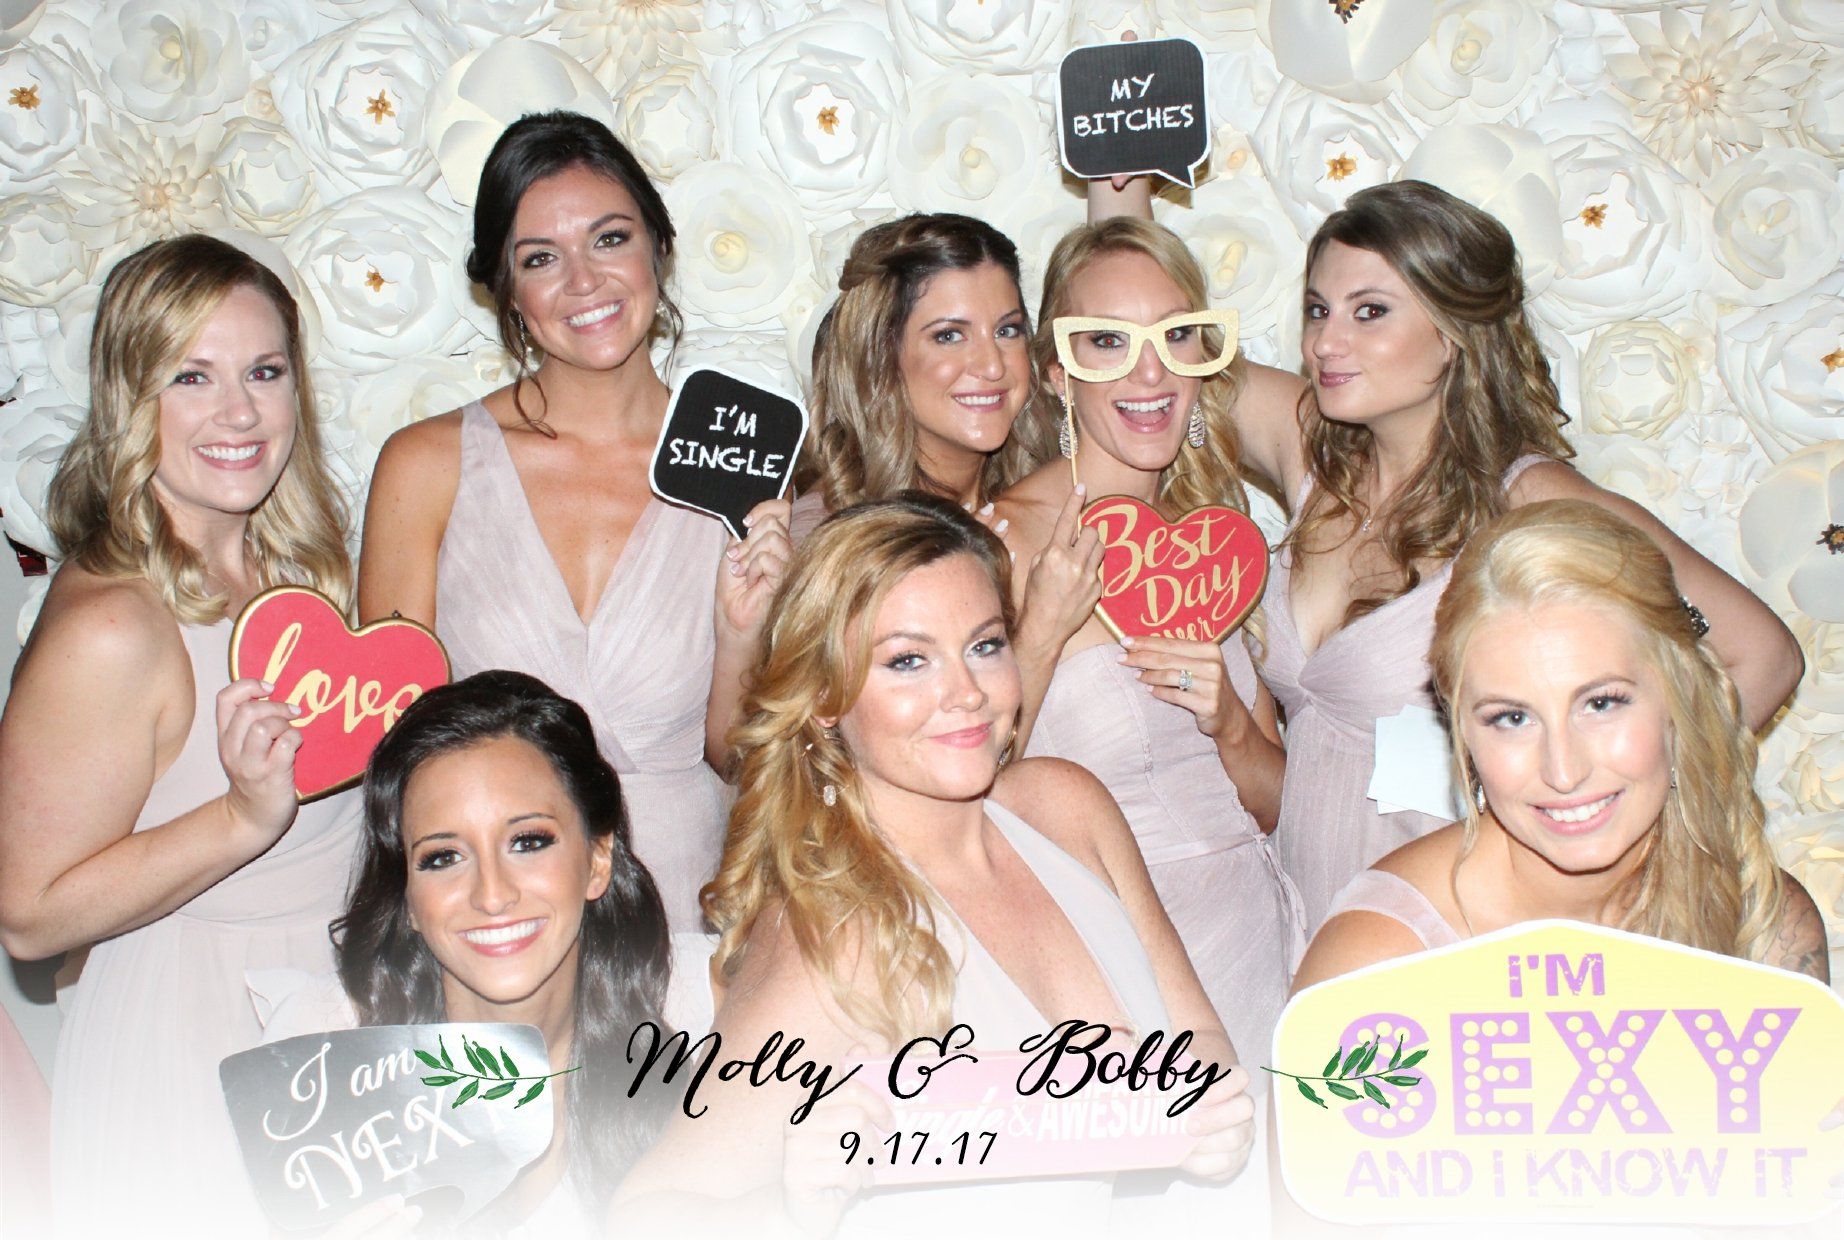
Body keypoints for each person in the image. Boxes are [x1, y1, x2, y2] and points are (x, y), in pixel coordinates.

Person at [1115, 179, 1801, 932]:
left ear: (1452, 332)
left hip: (1460, 928)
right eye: (1318, 309)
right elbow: (1157, 353)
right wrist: (1119, 189)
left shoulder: (1529, 498)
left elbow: (1762, 657)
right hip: (1301, 913)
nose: (1324, 343)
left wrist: (1599, 811)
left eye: (1369, 311)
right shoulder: (1311, 449)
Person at [610, 494, 1255, 1238]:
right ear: (824, 696)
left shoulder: (1067, 809)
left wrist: (1209, 1115)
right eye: (908, 660)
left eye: (984, 645)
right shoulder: (839, 934)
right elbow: (650, 1213)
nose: (967, 693)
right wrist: (795, 1201)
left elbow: (1198, 1043)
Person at [0, 234, 359, 1236]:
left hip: (323, 1025)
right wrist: (242, 819)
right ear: (130, 399)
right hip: (191, 1047)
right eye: (191, 376)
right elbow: (28, 916)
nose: (239, 411)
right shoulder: (114, 624)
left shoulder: (302, 579)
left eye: (264, 371)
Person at [358, 111, 790, 930]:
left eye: (610, 239)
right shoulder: (426, 466)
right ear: (507, 293)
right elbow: (390, 748)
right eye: (541, 259)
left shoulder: (742, 461)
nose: (585, 283)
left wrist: (742, 633)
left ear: (659, 247)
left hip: (689, 904)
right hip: (491, 920)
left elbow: (741, 755)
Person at [993, 217, 1305, 1070]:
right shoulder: (999, 542)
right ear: (1058, 374)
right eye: (1106, 341)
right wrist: (1042, 634)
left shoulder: (1218, 543)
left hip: (1264, 941)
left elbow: (1279, 804)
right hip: (1119, 970)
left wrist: (1231, 722)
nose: (1148, 372)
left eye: (1175, 336)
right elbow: (960, 792)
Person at [1294, 499, 1828, 991]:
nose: (1564, 771)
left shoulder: (1763, 927)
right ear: (1461, 731)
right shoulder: (1378, 965)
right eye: (1512, 717)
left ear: (1679, 699)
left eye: (1601, 704)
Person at [253, 670, 685, 1235]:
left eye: (528, 842)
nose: (492, 894)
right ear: (406, 895)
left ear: (597, 861)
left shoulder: (701, 1025)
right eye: (443, 857)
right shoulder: (319, 1065)